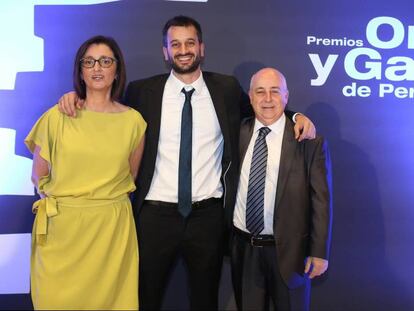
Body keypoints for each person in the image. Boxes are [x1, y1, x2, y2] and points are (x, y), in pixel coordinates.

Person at [57, 16, 316, 310]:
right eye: (175, 44)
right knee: (144, 298)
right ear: (165, 51)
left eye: (190, 42)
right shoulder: (142, 92)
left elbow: (264, 107)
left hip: (208, 218)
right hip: (154, 217)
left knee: (205, 300)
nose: (183, 50)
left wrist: (295, 116)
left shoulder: (226, 89)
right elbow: (106, 110)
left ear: (201, 48)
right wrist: (75, 98)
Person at [25, 35, 146, 310]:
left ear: (117, 70)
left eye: (105, 61)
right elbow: (38, 175)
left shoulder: (134, 122)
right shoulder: (57, 116)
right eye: (89, 62)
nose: (97, 68)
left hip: (111, 233)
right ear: (80, 70)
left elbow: (130, 175)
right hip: (62, 233)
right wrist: (68, 206)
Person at [231, 68, 332, 311]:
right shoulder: (236, 132)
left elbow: (321, 200)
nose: (267, 99)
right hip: (245, 250)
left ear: (286, 96)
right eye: (260, 92)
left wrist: (319, 252)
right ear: (250, 97)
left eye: (275, 92)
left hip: (291, 254)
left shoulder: (309, 141)